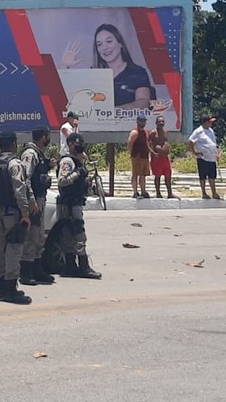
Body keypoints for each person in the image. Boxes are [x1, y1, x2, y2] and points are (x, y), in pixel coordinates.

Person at [0, 131, 35, 304]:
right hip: (12, 213)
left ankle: (1, 286)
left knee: (0, 250)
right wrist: (25, 214)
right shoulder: (15, 164)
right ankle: (10, 288)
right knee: (14, 250)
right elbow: (19, 189)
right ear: (13, 144)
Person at [62, 24, 151, 109]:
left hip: (128, 123)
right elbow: (72, 98)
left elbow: (143, 101)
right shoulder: (93, 73)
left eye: (109, 41)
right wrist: (65, 67)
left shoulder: (138, 72)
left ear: (120, 44)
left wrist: (113, 112)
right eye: (99, 44)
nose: (104, 47)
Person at [56, 132, 102, 279]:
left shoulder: (77, 161)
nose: (80, 146)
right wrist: (78, 172)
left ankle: (72, 266)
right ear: (70, 145)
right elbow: (62, 181)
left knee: (72, 235)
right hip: (69, 203)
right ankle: (81, 266)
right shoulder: (68, 162)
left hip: (75, 201)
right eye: (77, 143)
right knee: (77, 234)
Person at [20, 125, 56, 285]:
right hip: (33, 201)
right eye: (47, 136)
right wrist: (31, 200)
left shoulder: (39, 155)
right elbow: (25, 178)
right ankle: (26, 272)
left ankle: (37, 268)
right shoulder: (30, 154)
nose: (48, 139)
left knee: (39, 236)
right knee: (31, 236)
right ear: (43, 137)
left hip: (40, 198)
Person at [188, 116, 221, 200]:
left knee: (212, 176)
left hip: (211, 157)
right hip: (203, 157)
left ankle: (214, 192)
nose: (211, 123)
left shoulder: (211, 131)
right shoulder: (198, 131)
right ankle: (204, 193)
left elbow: (214, 143)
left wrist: (217, 152)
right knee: (203, 176)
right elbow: (190, 141)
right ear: (205, 122)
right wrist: (194, 152)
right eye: (210, 122)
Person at [148, 115, 175, 199]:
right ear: (156, 123)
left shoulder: (166, 132)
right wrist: (152, 152)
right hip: (157, 157)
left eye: (162, 121)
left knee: (168, 175)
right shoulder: (153, 132)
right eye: (159, 122)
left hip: (165, 157)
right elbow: (147, 143)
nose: (161, 123)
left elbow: (166, 142)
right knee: (158, 175)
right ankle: (158, 193)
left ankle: (170, 193)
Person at [127, 115, 151, 198]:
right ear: (137, 122)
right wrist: (132, 154)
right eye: (141, 121)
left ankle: (143, 191)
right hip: (137, 156)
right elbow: (130, 144)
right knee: (135, 174)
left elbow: (147, 143)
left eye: (144, 121)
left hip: (145, 156)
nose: (143, 122)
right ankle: (135, 192)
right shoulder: (134, 132)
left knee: (143, 175)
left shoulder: (146, 132)